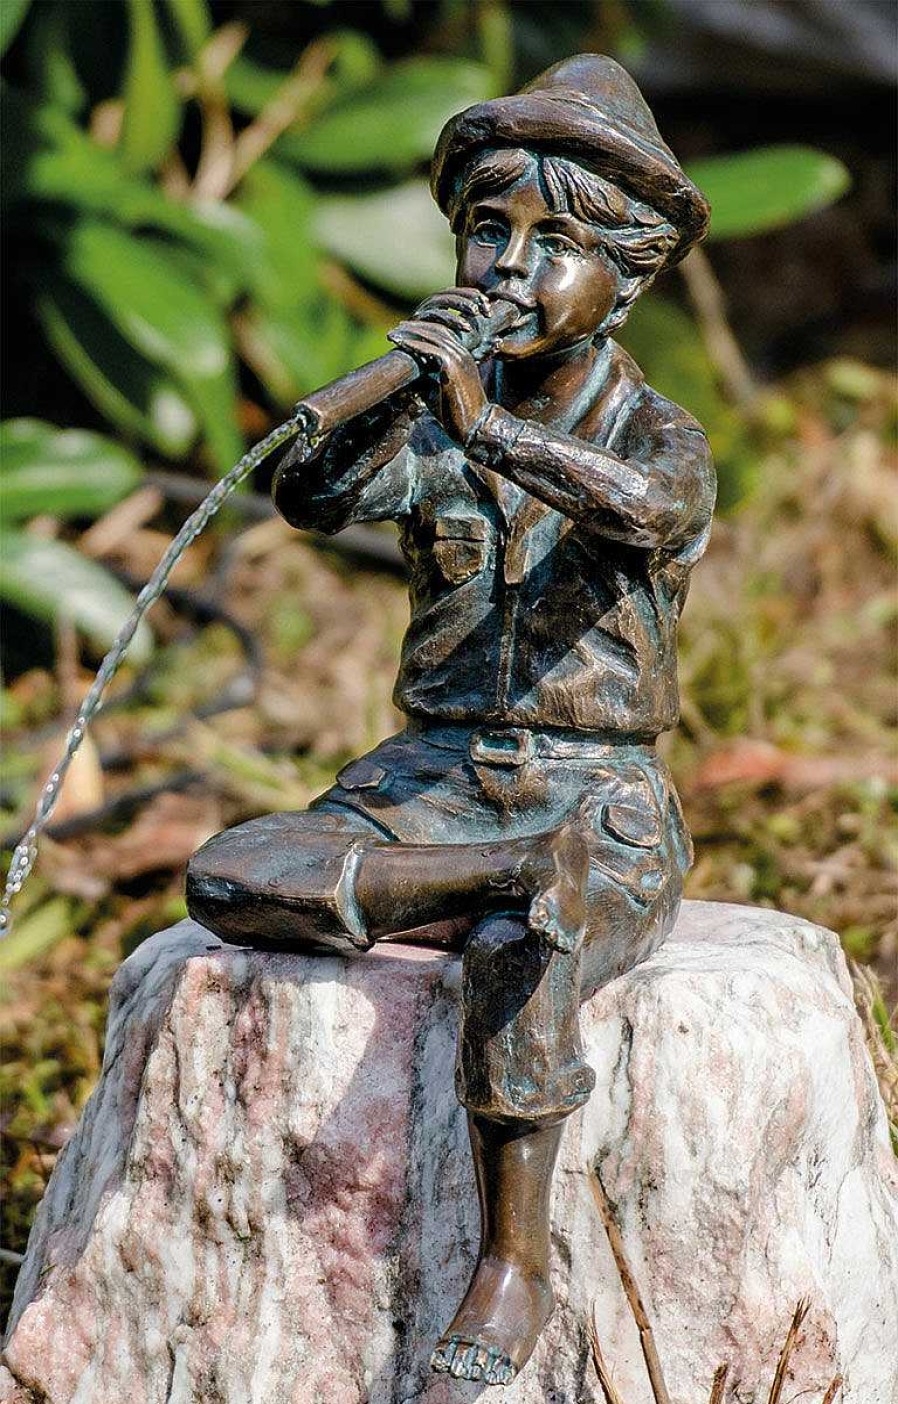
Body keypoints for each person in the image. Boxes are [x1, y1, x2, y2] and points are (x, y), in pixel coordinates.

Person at [187, 54, 714, 1388]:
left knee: (516, 955)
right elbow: (306, 493)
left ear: (629, 279)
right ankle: (497, 874)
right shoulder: (433, 423)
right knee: (231, 868)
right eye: (490, 231)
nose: (506, 268)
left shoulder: (656, 434)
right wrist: (390, 397)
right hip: (427, 780)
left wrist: (486, 429)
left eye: (554, 245)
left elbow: (643, 518)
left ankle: (512, 1264)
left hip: (591, 789)